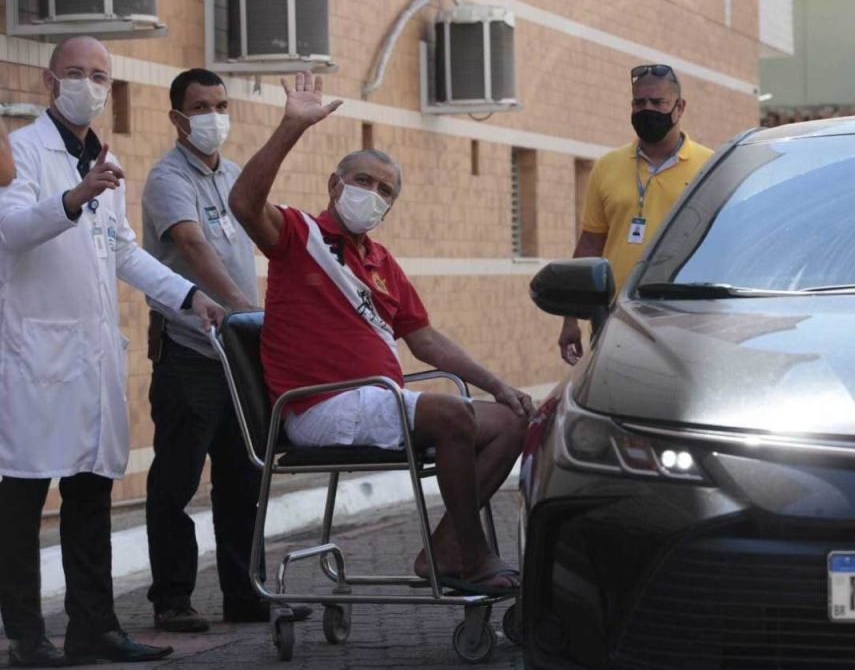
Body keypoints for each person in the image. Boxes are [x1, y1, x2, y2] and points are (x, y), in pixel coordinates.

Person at [228, 72, 532, 595]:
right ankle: (475, 556)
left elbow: (426, 340)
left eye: (383, 190)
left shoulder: (382, 262)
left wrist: (499, 384)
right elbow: (244, 204)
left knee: (509, 423)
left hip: (379, 402)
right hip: (317, 408)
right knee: (449, 414)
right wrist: (290, 127)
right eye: (363, 181)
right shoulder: (301, 235)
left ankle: (443, 550)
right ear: (335, 184)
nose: (372, 194)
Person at [0, 36, 223, 667]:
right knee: (20, 499)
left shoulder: (106, 158)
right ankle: (24, 635)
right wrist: (73, 197)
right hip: (32, 355)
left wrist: (188, 295)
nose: (88, 85)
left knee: (91, 492)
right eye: (75, 73)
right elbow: (10, 231)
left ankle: (92, 628)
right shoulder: (18, 152)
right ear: (50, 80)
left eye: (99, 75)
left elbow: (123, 250)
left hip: (90, 357)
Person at [141, 68, 270, 633]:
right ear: (176, 118)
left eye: (220, 104)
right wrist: (244, 308)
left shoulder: (237, 177)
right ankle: (172, 598)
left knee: (242, 479)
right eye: (200, 107)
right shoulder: (168, 178)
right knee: (176, 480)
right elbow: (192, 246)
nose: (213, 116)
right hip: (191, 351)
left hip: (239, 356)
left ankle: (244, 593)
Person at [558, 64, 713, 365]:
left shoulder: (709, 167)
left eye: (658, 103)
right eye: (639, 103)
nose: (647, 110)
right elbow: (590, 246)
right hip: (615, 319)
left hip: (685, 320)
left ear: (679, 108)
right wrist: (570, 318)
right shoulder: (607, 166)